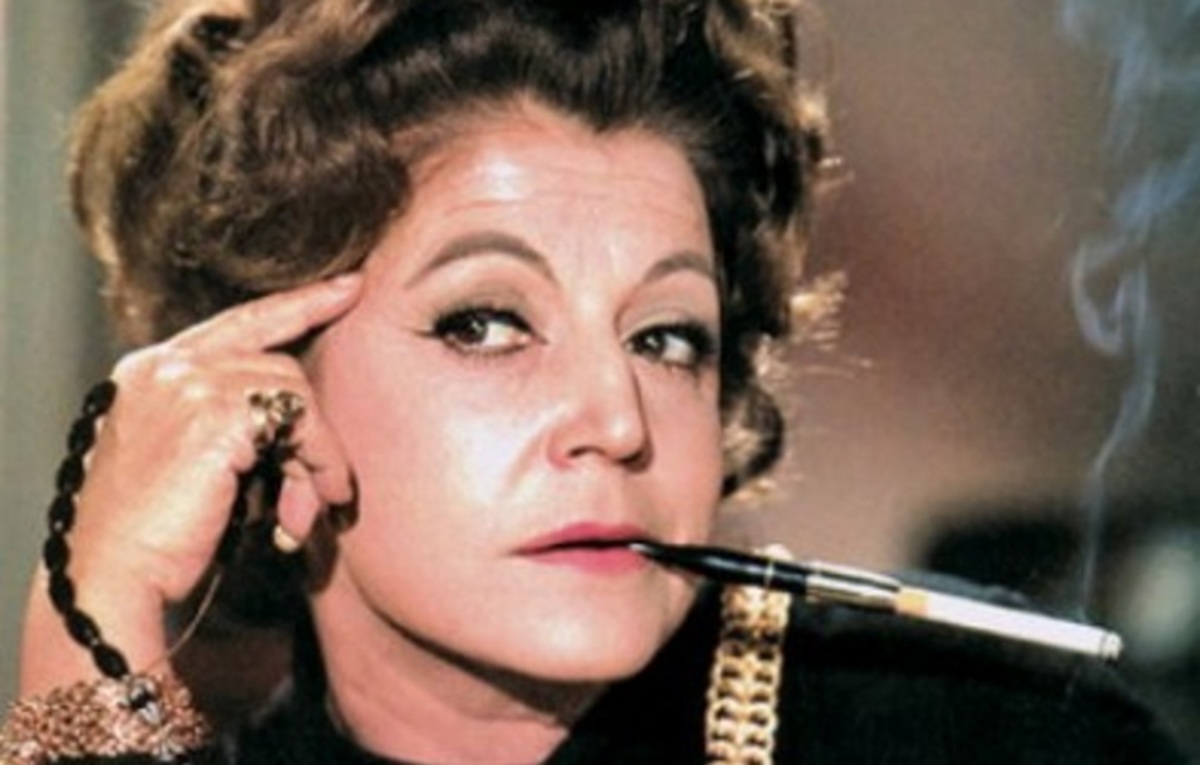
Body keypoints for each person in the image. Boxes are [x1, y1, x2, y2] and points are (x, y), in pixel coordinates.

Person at [1, 0, 1189, 763]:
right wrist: (87, 625)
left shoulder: (994, 737)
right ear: (266, 398)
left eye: (666, 338)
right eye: (485, 324)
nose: (619, 422)